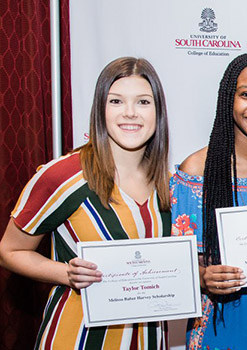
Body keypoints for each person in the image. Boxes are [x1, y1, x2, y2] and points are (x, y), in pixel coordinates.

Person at [0, 57, 171, 349]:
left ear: (158, 112)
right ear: (100, 110)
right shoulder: (63, 176)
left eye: (143, 102)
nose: (130, 113)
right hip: (76, 338)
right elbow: (9, 250)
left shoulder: (169, 184)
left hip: (148, 340)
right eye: (116, 101)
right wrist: (66, 273)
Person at [170, 52, 247, 349]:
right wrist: (204, 277)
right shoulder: (197, 170)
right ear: (229, 98)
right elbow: (177, 264)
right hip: (219, 318)